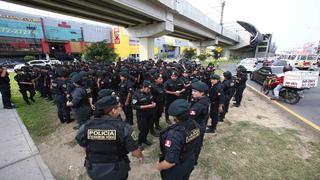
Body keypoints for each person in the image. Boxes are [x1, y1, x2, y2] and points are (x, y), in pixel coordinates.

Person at [76, 95, 143, 180]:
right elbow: (134, 150)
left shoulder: (86, 126)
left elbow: (82, 143)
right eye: (119, 106)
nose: (120, 108)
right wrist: (140, 157)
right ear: (113, 111)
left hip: (94, 170)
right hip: (116, 171)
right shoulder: (123, 128)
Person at [156, 99, 200, 180]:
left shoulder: (174, 135)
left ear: (175, 117)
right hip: (189, 159)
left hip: (177, 168)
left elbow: (170, 162)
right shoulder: (194, 123)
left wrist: (159, 166)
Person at [189, 81, 210, 165]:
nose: (192, 92)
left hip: (197, 126)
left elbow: (190, 115)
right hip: (202, 122)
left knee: (195, 145)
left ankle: (193, 161)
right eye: (192, 90)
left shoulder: (199, 105)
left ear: (202, 93)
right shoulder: (204, 98)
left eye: (195, 91)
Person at [132, 80, 156, 148]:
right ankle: (139, 143)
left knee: (147, 128)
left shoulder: (149, 92)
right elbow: (134, 106)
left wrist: (153, 103)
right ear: (143, 87)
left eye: (149, 89)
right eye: (147, 88)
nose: (149, 90)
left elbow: (151, 99)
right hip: (142, 115)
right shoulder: (136, 94)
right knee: (143, 130)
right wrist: (148, 106)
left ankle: (144, 139)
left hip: (149, 114)